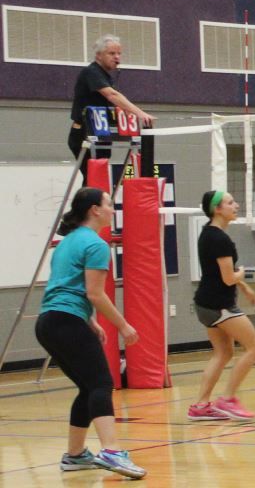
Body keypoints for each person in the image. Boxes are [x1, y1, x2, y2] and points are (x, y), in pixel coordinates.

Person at [37, 188, 146, 479]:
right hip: (66, 321)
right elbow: (94, 294)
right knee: (101, 383)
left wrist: (90, 322)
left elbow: (66, 287)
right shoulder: (96, 245)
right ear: (95, 210)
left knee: (88, 387)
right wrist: (123, 325)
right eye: (109, 204)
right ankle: (111, 450)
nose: (113, 209)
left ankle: (74, 456)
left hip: (50, 322)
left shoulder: (68, 242)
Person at [187, 191, 255, 421]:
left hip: (205, 303)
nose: (236, 205)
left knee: (223, 353)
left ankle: (200, 405)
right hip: (219, 305)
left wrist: (244, 287)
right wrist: (242, 274)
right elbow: (228, 277)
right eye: (230, 202)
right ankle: (227, 399)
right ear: (217, 209)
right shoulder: (220, 239)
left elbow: (219, 272)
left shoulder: (209, 234)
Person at [68, 35, 155, 183]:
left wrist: (128, 113)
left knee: (96, 179)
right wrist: (140, 113)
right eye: (112, 53)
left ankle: (94, 205)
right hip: (84, 133)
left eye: (119, 53)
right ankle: (87, 206)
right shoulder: (92, 72)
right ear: (99, 55)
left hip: (101, 133)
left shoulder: (105, 76)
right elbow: (112, 95)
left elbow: (114, 102)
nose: (117, 57)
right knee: (92, 179)